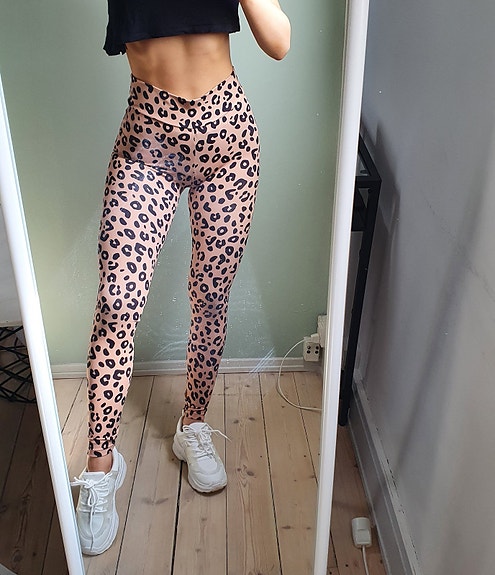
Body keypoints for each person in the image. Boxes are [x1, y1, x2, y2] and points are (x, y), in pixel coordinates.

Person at [70, 0, 291, 556]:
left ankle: (192, 426)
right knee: (116, 304)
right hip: (147, 143)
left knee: (211, 299)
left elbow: (279, 42)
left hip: (228, 143)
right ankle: (100, 466)